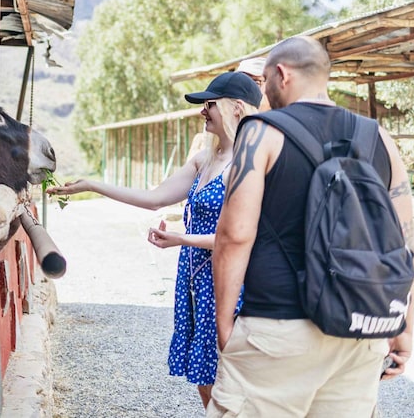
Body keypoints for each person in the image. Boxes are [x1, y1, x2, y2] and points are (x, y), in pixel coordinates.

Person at [209, 35, 414, 417]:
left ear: (281, 74)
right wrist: (402, 329)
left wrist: (225, 323)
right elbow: (406, 245)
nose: (265, 93)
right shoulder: (379, 138)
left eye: (266, 83)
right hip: (357, 334)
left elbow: (235, 235)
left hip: (276, 332)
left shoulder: (260, 132)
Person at [48, 72, 262, 409]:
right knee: (205, 378)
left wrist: (182, 238)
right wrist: (91, 185)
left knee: (230, 380)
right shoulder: (205, 159)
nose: (202, 112)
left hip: (229, 283)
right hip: (196, 283)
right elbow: (154, 198)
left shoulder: (249, 164)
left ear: (235, 108)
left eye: (209, 105)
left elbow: (243, 237)